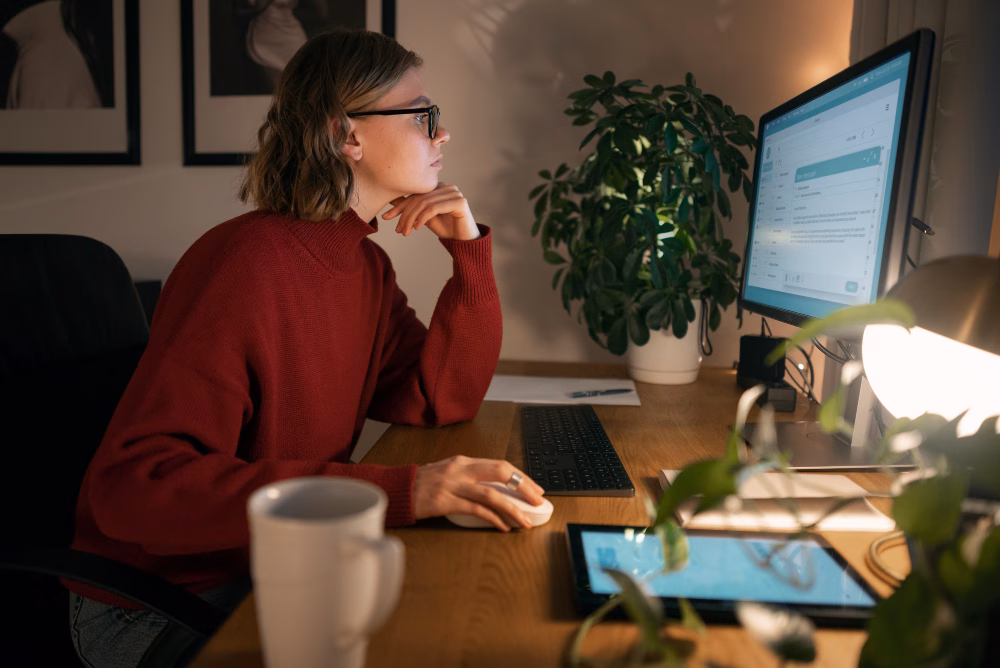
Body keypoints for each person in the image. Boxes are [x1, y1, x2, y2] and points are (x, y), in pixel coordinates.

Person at [67, 28, 544, 668]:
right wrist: (403, 492)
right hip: (159, 604)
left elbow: (441, 399)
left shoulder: (365, 268)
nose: (442, 134)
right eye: (423, 116)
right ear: (348, 136)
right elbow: (134, 486)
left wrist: (468, 258)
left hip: (276, 567)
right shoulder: (246, 265)